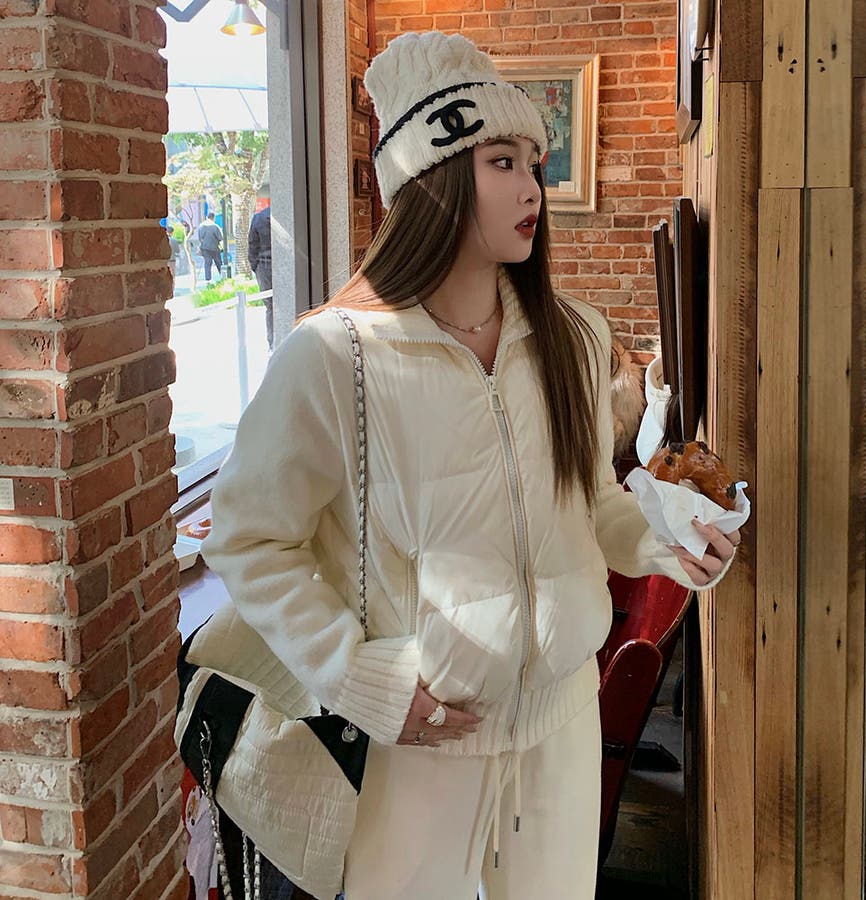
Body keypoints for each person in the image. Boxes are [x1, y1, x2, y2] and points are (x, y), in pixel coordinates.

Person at [194, 32, 742, 899]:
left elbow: (590, 507)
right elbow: (248, 540)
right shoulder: (335, 359)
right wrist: (357, 675)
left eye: (533, 163)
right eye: (501, 162)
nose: (531, 189)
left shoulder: (572, 338)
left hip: (563, 725)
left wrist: (671, 543)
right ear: (431, 180)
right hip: (421, 741)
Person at [248, 204, 274, 350]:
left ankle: (272, 343)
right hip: (284, 264)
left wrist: (256, 267)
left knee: (270, 307)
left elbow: (252, 245)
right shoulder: (286, 214)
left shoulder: (258, 218)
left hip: (264, 266)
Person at [197, 211, 223, 282]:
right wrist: (222, 248)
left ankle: (208, 280)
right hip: (214, 248)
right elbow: (220, 238)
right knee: (218, 263)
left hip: (205, 248)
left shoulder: (201, 226)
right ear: (213, 218)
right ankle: (222, 276)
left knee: (207, 263)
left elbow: (200, 238)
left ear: (206, 217)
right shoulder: (215, 226)